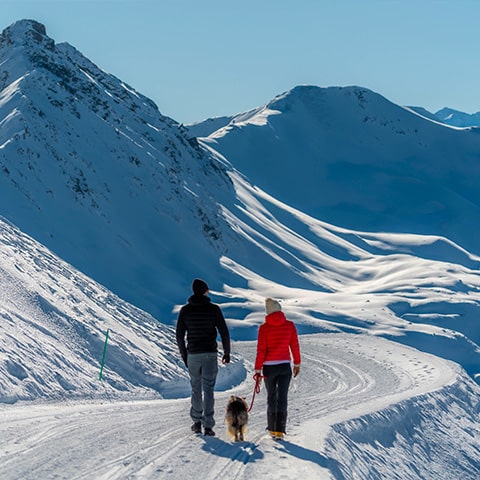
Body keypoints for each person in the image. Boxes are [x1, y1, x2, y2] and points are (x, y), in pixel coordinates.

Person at [176, 278, 231, 437]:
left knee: (195, 388)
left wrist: (184, 355)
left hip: (193, 353)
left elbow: (179, 335)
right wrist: (226, 353)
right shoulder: (214, 309)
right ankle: (208, 425)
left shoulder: (185, 310)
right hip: (210, 353)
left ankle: (197, 422)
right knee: (208, 389)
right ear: (205, 291)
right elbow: (224, 332)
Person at [254, 297, 301, 440]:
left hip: (269, 368)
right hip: (285, 367)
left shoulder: (264, 328)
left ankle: (272, 429)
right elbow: (294, 345)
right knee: (282, 398)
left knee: (271, 397)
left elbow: (261, 350)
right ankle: (280, 430)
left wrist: (257, 369)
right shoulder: (290, 325)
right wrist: (297, 364)